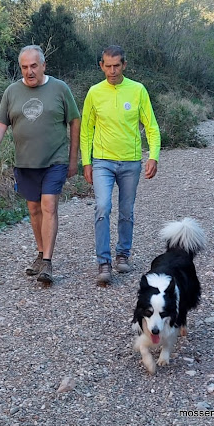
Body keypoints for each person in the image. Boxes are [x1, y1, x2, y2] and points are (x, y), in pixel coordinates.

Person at [0, 45, 81, 283]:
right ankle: (40, 254)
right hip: (26, 162)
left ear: (43, 66)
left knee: (48, 205)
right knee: (34, 209)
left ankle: (47, 262)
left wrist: (73, 158)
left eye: (33, 66)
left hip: (55, 160)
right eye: (24, 67)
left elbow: (74, 121)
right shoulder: (12, 91)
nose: (29, 71)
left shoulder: (60, 88)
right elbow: (0, 123)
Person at [80, 45, 161, 286]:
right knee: (102, 207)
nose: (112, 71)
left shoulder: (138, 90)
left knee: (126, 210)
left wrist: (153, 156)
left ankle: (123, 254)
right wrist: (86, 162)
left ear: (124, 65)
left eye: (117, 65)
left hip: (130, 161)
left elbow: (151, 126)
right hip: (102, 161)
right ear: (101, 66)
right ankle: (103, 262)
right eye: (108, 66)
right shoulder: (94, 92)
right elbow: (86, 130)